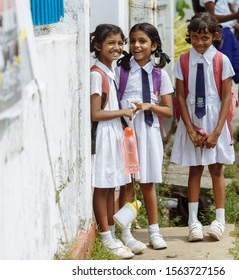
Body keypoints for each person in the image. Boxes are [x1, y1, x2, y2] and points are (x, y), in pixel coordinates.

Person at [171, 12, 235, 242]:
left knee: (216, 169)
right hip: (192, 121)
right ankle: (193, 222)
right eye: (195, 37)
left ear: (214, 36)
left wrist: (217, 132)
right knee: (195, 169)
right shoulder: (183, 61)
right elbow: (180, 97)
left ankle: (219, 220)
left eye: (205, 38)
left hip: (215, 121)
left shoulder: (221, 61)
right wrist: (189, 129)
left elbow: (226, 97)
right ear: (190, 35)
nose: (200, 42)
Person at [116, 23, 173, 252]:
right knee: (127, 182)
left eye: (142, 41)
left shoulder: (160, 75)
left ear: (154, 45)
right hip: (126, 131)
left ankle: (154, 231)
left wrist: (150, 106)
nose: (136, 45)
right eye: (133, 41)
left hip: (148, 132)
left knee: (148, 182)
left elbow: (169, 110)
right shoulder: (121, 71)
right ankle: (126, 232)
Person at [192, 0, 239, 145]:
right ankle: (219, 130)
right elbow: (211, 18)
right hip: (219, 36)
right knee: (222, 85)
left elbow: (225, 15)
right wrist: (236, 15)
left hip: (230, 34)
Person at [90, 24, 136, 259]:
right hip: (104, 136)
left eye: (119, 43)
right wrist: (123, 112)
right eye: (110, 43)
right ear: (98, 45)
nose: (117, 47)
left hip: (114, 134)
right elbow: (95, 113)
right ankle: (106, 236)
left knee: (111, 186)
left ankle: (112, 234)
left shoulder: (111, 71)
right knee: (102, 186)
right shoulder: (96, 75)